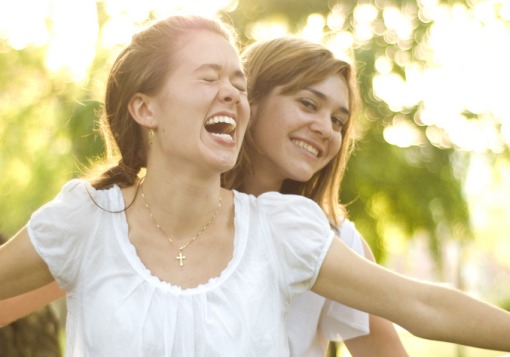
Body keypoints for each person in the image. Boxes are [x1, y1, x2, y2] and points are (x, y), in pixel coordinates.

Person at [1, 13, 510, 357]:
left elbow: (422, 307)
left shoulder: (293, 232)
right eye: (307, 104)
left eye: (237, 85)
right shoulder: (90, 222)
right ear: (145, 107)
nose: (324, 127)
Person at [223, 36, 408, 356]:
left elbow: (414, 317)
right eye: (309, 103)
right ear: (250, 99)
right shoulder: (167, 211)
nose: (326, 129)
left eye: (338, 121)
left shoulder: (334, 239)